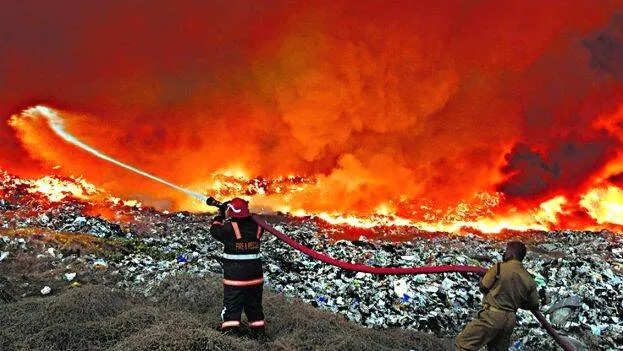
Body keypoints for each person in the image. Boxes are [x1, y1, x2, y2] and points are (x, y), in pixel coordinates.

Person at [455, 241, 544, 350]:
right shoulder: (528, 278)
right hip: (509, 321)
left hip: (492, 316)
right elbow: (534, 305)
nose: (504, 253)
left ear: (512, 254)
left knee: (463, 343)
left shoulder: (499, 268)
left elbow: (483, 287)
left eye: (506, 251)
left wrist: (481, 279)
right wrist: (515, 301)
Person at [209, 197, 266, 339]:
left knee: (232, 307)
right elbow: (253, 222)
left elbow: (215, 230)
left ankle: (231, 337)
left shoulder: (229, 228)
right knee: (254, 306)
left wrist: (220, 213)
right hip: (255, 276)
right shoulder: (258, 225)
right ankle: (259, 337)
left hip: (235, 278)